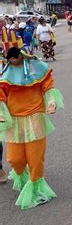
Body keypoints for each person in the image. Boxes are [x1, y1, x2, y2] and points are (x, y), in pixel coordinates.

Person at [0, 47, 63, 209]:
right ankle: (22, 174)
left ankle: (36, 187)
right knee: (14, 159)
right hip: (14, 120)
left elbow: (48, 86)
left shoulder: (35, 66)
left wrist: (51, 101)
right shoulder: (6, 70)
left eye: (14, 59)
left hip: (35, 115)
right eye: (10, 60)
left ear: (20, 56)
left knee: (35, 157)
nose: (12, 62)